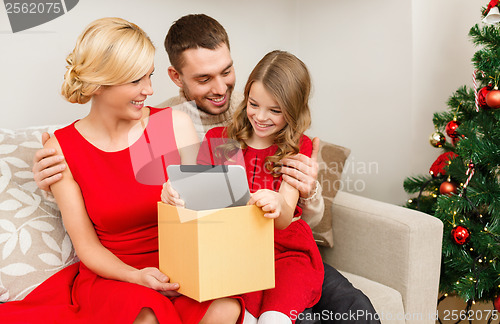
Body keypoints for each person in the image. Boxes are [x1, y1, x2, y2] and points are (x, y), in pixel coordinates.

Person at [32, 14, 380, 324]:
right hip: (143, 268)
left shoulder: (237, 110)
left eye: (226, 72)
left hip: (259, 248)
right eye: (203, 78)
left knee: (354, 308)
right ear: (178, 78)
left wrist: (311, 190)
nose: (220, 88)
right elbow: (91, 241)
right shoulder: (68, 148)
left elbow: (221, 206)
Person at [1, 17, 243, 324]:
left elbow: (206, 216)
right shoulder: (61, 149)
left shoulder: (174, 124)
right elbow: (86, 245)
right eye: (135, 81)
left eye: (150, 76)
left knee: (225, 308)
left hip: (182, 268)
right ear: (99, 84)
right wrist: (136, 276)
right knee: (147, 316)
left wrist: (189, 198)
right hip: (116, 275)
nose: (149, 90)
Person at [162, 50, 325, 324]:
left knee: (275, 318)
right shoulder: (220, 139)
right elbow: (199, 203)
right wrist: (174, 194)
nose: (260, 117)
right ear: (246, 96)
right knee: (242, 316)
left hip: (286, 254)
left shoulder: (298, 146)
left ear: (294, 111)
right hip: (234, 250)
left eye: (275, 110)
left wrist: (276, 202)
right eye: (253, 104)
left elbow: (285, 219)